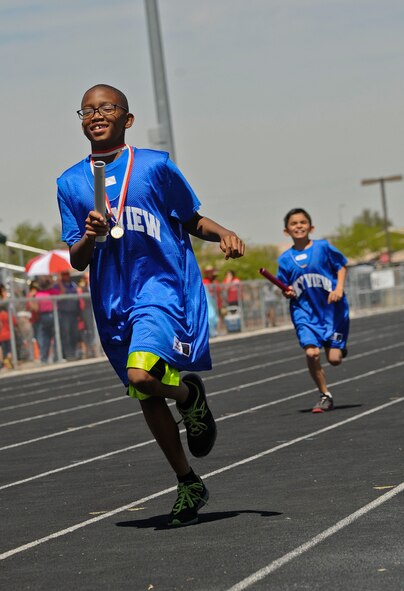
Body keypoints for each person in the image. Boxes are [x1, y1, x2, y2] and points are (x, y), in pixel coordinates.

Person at [57, 84, 245, 526]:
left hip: (159, 289)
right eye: (87, 110)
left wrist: (223, 234)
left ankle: (189, 394)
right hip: (112, 301)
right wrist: (89, 233)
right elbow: (78, 259)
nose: (96, 114)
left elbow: (190, 217)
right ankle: (187, 480)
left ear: (128, 118)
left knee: (143, 373)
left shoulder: (154, 166)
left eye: (106, 107)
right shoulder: (69, 182)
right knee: (143, 391)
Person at [276, 208, 349, 413]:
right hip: (304, 314)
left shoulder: (323, 247)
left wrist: (339, 288)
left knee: (334, 359)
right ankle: (325, 394)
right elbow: (284, 287)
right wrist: (287, 293)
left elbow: (342, 265)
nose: (298, 226)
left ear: (311, 227)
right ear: (286, 231)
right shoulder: (284, 260)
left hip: (332, 313)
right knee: (312, 353)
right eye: (293, 223)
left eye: (302, 222)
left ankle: (336, 345)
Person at [58, 271, 81, 361]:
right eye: (64, 274)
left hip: (74, 313)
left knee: (74, 334)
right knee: (66, 334)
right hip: (64, 314)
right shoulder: (58, 286)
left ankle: (74, 352)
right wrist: (59, 283)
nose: (66, 276)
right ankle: (68, 354)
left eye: (67, 274)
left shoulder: (73, 285)